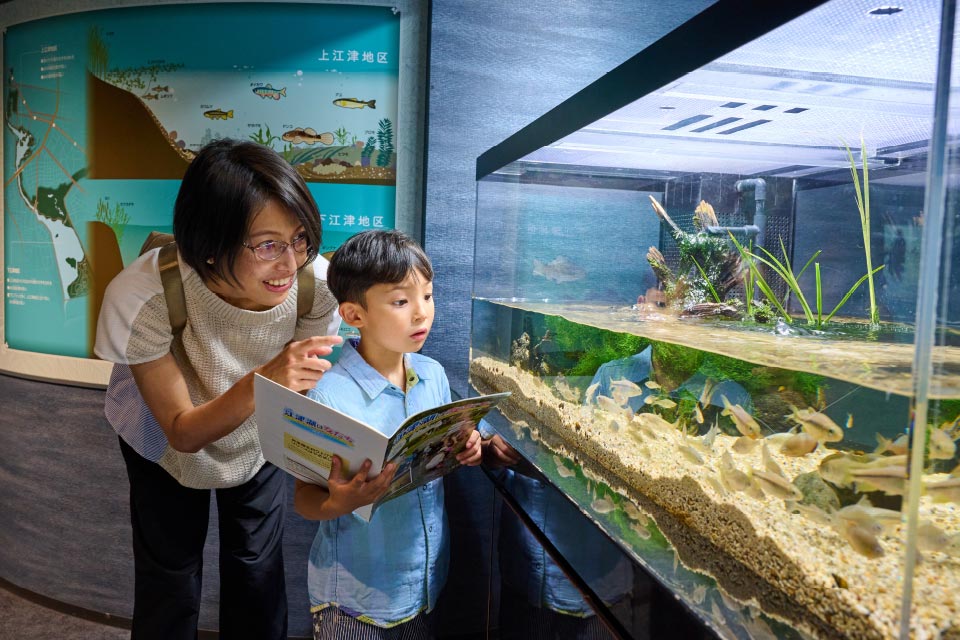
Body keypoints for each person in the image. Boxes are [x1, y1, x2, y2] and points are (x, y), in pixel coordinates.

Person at [94, 138, 343, 640]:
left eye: (299, 238)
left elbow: (300, 389)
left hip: (256, 429)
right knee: (172, 567)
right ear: (209, 244)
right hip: (162, 434)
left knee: (257, 564)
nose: (289, 264)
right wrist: (268, 378)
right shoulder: (144, 293)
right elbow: (183, 432)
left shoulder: (316, 283)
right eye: (267, 244)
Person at [293, 229, 484, 639]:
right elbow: (305, 499)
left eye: (427, 296)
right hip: (355, 599)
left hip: (424, 582)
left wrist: (465, 447)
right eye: (401, 301)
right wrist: (340, 502)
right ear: (354, 315)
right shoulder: (328, 396)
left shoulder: (432, 374)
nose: (421, 313)